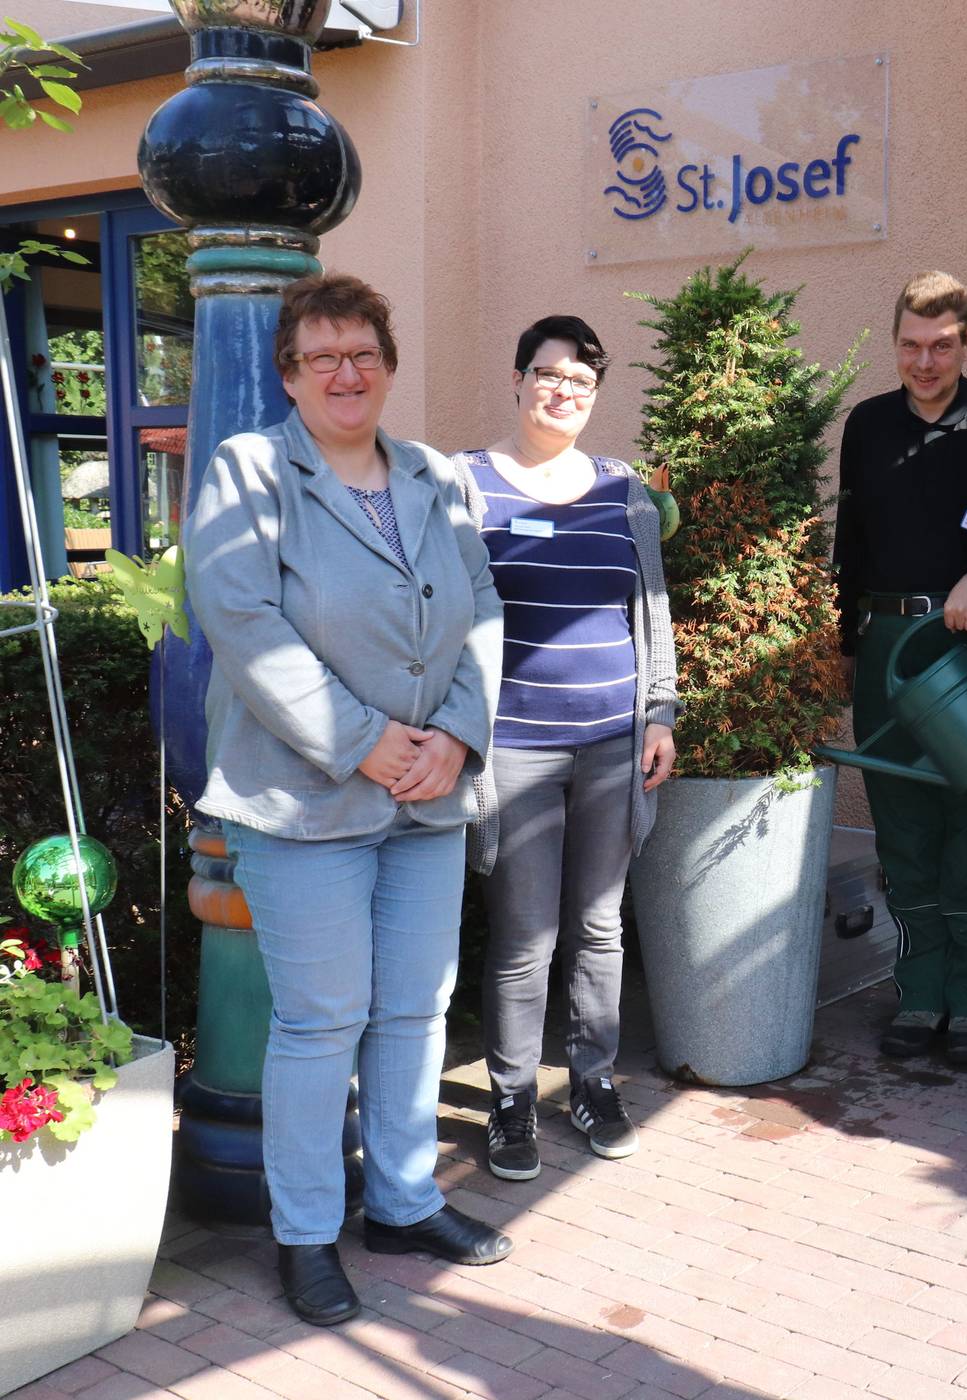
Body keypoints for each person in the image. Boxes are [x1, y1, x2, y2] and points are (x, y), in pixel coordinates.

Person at [188, 273, 511, 1326]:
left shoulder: (431, 475)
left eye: (362, 351)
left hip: (429, 799)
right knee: (323, 1020)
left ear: (388, 363)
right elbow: (243, 622)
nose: (344, 371)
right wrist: (370, 741)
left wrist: (459, 733)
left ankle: (407, 1201)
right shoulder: (250, 470)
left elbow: (483, 609)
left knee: (416, 1011)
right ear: (289, 373)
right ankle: (308, 1231)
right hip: (304, 802)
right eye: (321, 354)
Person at [457, 315, 678, 1182]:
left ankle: (592, 1080)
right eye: (549, 374)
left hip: (611, 749)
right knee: (521, 936)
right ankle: (513, 1095)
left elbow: (652, 609)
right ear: (517, 379)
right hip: (514, 749)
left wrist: (660, 711)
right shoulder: (468, 485)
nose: (563, 391)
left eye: (581, 382)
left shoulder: (623, 489)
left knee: (597, 928)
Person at [833, 271, 967, 1067]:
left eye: (942, 346)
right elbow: (852, 543)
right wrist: (845, 647)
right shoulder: (867, 425)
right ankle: (922, 993)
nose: (925, 361)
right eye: (911, 345)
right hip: (884, 646)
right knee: (903, 829)